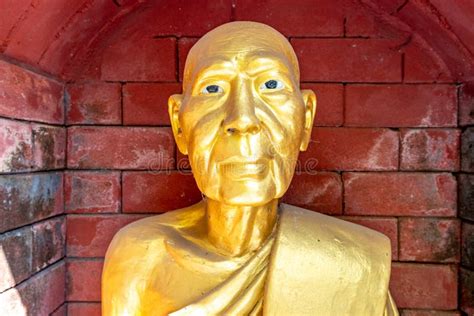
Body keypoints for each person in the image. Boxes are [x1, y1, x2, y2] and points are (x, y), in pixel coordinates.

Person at [102, 21, 398, 316]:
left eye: (271, 85)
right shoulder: (141, 258)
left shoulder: (349, 264)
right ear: (180, 124)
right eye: (213, 88)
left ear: (305, 119)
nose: (243, 119)